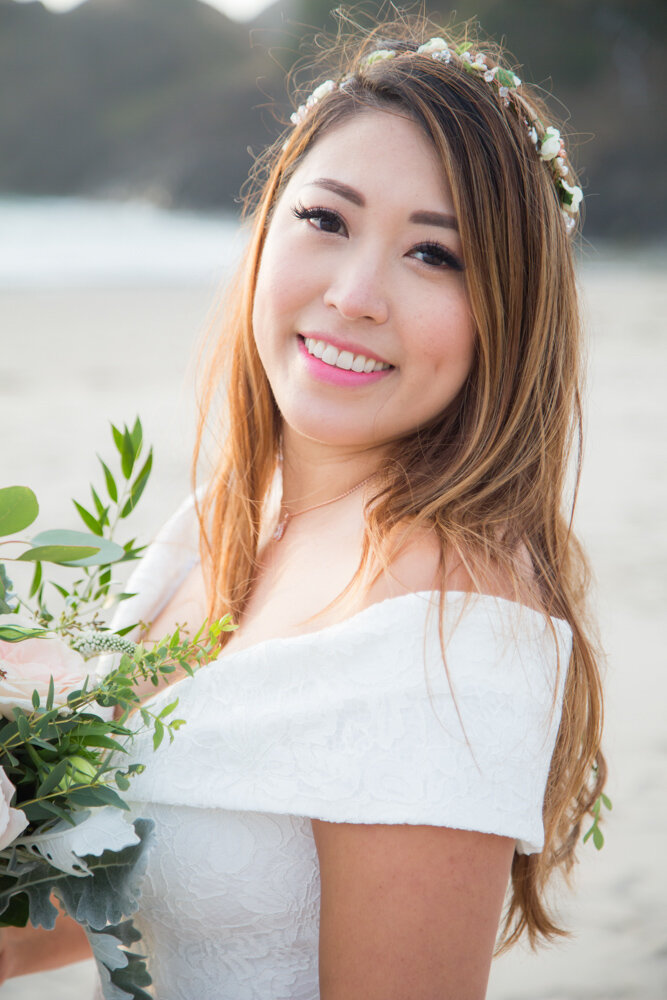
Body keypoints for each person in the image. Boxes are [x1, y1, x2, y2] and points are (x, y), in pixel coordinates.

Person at [0, 13, 605, 999]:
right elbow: (92, 904)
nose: (355, 294)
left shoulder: (451, 621)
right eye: (326, 221)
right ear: (267, 223)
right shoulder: (210, 529)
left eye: (434, 255)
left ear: (510, 311)